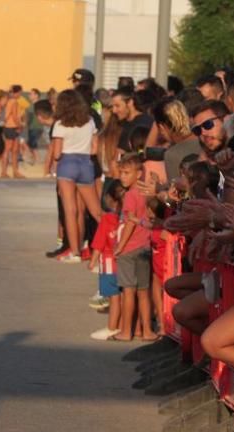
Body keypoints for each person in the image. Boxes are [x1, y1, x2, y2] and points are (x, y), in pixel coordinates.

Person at [50, 89, 102, 263]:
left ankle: (75, 252)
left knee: (70, 211)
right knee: (94, 211)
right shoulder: (89, 121)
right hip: (86, 163)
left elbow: (57, 154)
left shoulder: (60, 124)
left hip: (67, 164)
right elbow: (95, 148)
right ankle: (113, 239)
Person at [111, 153, 156, 342]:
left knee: (128, 291)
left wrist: (119, 247)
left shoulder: (130, 195)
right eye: (121, 173)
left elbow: (129, 223)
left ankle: (126, 331)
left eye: (127, 173)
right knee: (144, 292)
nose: (122, 176)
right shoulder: (146, 192)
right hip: (145, 246)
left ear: (138, 174)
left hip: (129, 249)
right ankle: (146, 331)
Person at [89, 179, 125, 340]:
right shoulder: (127, 219)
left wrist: (92, 261)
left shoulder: (107, 220)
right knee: (125, 297)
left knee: (114, 299)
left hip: (109, 265)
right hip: (124, 263)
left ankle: (112, 327)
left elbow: (99, 242)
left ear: (109, 200)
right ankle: (124, 325)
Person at [1, 84, 25, 178]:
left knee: (15, 150)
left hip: (11, 127)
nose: (20, 95)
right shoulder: (13, 101)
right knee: (8, 149)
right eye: (20, 93)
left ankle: (15, 171)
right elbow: (14, 116)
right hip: (11, 127)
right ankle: (4, 172)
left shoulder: (10, 100)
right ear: (17, 92)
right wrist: (19, 126)